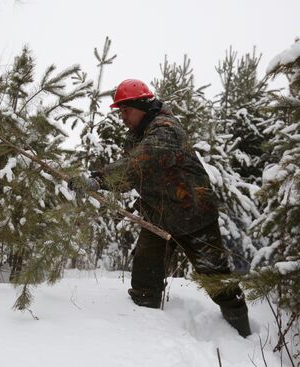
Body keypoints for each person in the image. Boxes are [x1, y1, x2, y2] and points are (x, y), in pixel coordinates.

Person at [69, 79, 251, 337]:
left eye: (126, 110)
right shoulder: (139, 134)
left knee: (217, 280)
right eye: (120, 112)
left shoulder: (165, 129)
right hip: (159, 217)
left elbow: (140, 164)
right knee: (145, 277)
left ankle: (243, 335)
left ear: (141, 106)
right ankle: (146, 336)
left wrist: (99, 179)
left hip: (193, 216)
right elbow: (138, 174)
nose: (122, 117)